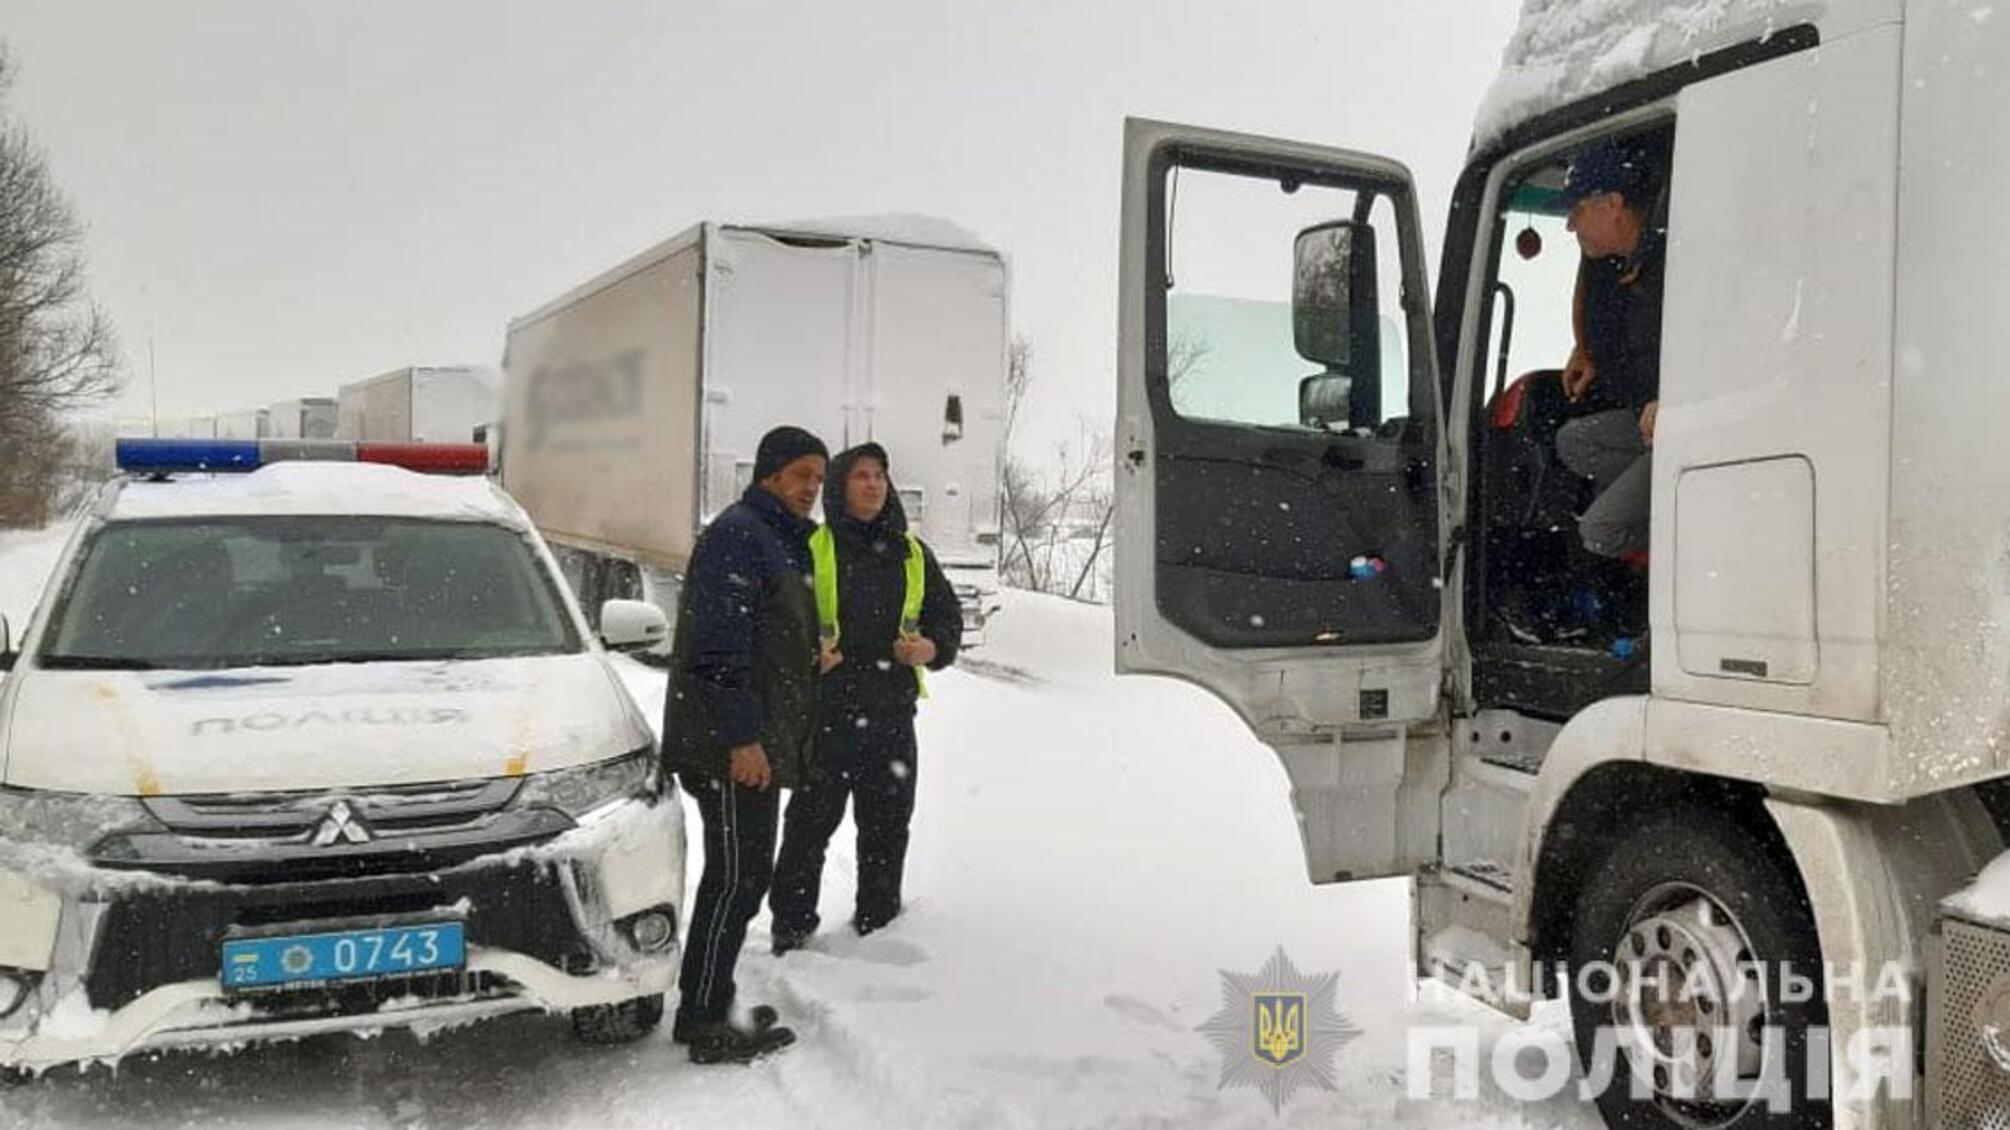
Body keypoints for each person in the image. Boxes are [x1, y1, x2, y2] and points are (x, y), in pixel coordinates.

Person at [661, 424, 827, 1065]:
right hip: (728, 747)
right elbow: (717, 650)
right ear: (769, 474)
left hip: (744, 739)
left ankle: (710, 1001)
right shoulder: (741, 535)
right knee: (736, 878)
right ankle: (703, 1020)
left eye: (818, 478)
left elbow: (762, 636)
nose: (811, 488)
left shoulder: (775, 537)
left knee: (742, 874)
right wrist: (742, 738)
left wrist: (809, 655)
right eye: (801, 475)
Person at [768, 442, 962, 954]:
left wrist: (931, 647)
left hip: (891, 716)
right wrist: (809, 653)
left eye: (879, 475)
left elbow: (947, 618)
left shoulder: (912, 553)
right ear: (840, 486)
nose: (873, 484)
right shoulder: (812, 547)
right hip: (828, 715)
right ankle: (791, 929)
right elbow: (776, 624)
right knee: (809, 828)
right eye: (861, 476)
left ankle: (878, 926)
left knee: (887, 828)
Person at [1554, 141, 1666, 560]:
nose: (1570, 225)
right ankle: (1660, 496)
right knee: (1574, 441)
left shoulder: (1670, 260)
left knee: (1600, 531)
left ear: (1613, 204)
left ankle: (1681, 525)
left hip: (1683, 422)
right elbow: (1620, 329)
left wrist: (1672, 399)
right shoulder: (1614, 265)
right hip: (1646, 421)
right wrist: (1585, 351)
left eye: (1577, 209)